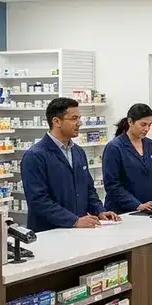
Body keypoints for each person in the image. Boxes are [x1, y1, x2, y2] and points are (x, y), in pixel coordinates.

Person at [21, 97, 120, 232]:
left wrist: (100, 211)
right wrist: (74, 221)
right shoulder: (35, 156)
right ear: (56, 121)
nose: (79, 123)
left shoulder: (78, 152)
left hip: (77, 231)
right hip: (49, 233)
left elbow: (88, 190)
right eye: (74, 118)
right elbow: (38, 201)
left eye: (79, 118)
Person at [102, 103, 152, 214]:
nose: (147, 129)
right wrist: (137, 205)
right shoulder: (114, 147)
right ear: (130, 122)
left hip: (148, 210)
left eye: (149, 125)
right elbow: (112, 186)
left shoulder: (150, 145)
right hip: (122, 212)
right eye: (143, 125)